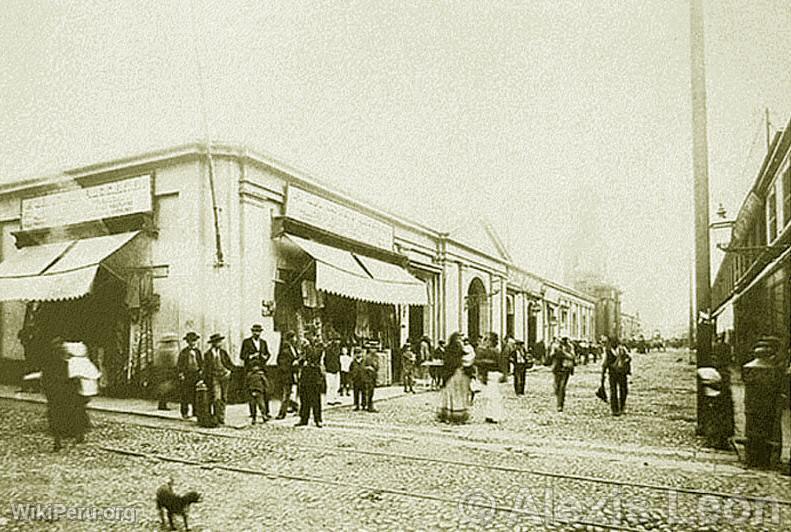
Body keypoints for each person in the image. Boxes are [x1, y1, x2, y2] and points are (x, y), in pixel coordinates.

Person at [41, 338, 90, 451]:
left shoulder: (54, 363)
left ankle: (59, 439)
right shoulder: (64, 363)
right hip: (62, 393)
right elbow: (72, 379)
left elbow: (46, 380)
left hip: (58, 393)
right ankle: (68, 437)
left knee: (58, 416)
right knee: (68, 413)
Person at [437, 333, 474, 423]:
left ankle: (447, 415)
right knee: (458, 395)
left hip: (449, 375)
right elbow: (467, 359)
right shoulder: (458, 348)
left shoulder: (448, 349)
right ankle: (457, 416)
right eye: (459, 338)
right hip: (457, 374)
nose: (461, 340)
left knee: (449, 395)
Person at [240, 324, 271, 422]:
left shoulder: (263, 343)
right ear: (252, 332)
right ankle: (253, 413)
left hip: (261, 369)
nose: (257, 333)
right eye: (255, 331)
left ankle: (265, 412)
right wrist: (251, 356)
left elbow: (268, 353)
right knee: (251, 393)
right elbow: (242, 355)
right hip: (250, 370)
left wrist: (265, 357)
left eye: (258, 331)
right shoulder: (246, 342)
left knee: (264, 391)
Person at [201, 333, 234, 425]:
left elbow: (230, 364)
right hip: (214, 377)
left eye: (220, 341)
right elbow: (205, 368)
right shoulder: (208, 354)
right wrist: (203, 379)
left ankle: (221, 417)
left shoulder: (223, 353)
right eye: (218, 342)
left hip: (224, 376)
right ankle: (216, 416)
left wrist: (229, 371)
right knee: (217, 397)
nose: (220, 343)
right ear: (213, 343)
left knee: (224, 397)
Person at [296, 338, 324, 427]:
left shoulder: (317, 349)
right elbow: (299, 362)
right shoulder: (303, 352)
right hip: (304, 378)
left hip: (314, 378)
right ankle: (303, 419)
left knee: (316, 400)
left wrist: (307, 348)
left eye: (304, 343)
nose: (302, 345)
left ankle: (318, 419)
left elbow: (315, 356)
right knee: (304, 400)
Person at [478, 333, 504, 423]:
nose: (485, 341)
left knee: (494, 397)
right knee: (489, 396)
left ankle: (495, 416)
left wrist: (483, 362)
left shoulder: (495, 351)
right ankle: (489, 415)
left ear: (492, 341)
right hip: (488, 374)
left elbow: (499, 364)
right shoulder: (487, 351)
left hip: (493, 374)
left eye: (487, 340)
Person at [601, 337, 631, 416]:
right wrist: (603, 374)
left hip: (622, 373)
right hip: (613, 373)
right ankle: (614, 409)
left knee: (623, 390)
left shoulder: (622, 349)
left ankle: (622, 406)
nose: (613, 344)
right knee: (613, 391)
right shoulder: (607, 351)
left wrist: (624, 362)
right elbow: (604, 363)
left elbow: (629, 358)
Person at [177, 332, 203, 419]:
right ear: (188, 342)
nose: (193, 343)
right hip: (187, 374)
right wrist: (181, 373)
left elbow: (201, 363)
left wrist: (201, 372)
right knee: (185, 394)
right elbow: (180, 364)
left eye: (194, 341)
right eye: (191, 341)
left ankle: (196, 412)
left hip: (196, 374)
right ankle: (184, 412)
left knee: (196, 393)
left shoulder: (198, 352)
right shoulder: (184, 352)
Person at [276, 331, 299, 419]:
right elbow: (282, 363)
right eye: (294, 337)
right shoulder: (285, 350)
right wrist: (292, 364)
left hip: (293, 374)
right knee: (286, 394)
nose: (295, 339)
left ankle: (296, 408)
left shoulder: (293, 348)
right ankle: (282, 413)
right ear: (291, 338)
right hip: (287, 375)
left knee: (290, 393)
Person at [550, 337, 575, 412]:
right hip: (557, 369)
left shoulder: (570, 347)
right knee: (557, 387)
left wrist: (563, 353)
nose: (563, 341)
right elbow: (551, 355)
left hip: (565, 369)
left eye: (564, 340)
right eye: (561, 340)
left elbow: (572, 356)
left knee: (562, 387)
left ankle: (560, 404)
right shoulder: (555, 346)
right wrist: (555, 352)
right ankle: (559, 397)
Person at [324, 337, 342, 405]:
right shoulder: (329, 350)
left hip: (336, 369)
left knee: (336, 385)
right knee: (330, 385)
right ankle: (329, 399)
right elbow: (325, 360)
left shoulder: (336, 350)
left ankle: (335, 397)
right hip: (330, 369)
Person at [362, 346, 380, 412]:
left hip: (373, 376)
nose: (374, 350)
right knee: (368, 391)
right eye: (372, 348)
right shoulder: (367, 357)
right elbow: (363, 367)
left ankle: (369, 404)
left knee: (371, 391)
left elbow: (377, 366)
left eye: (375, 348)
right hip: (367, 376)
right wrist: (368, 368)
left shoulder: (376, 357)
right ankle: (368, 405)